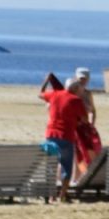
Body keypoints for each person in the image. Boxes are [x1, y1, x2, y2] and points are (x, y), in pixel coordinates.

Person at [39, 72, 89, 202]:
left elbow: (40, 93)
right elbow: (85, 120)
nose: (80, 92)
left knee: (51, 166)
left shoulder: (54, 94)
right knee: (66, 166)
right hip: (67, 136)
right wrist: (76, 121)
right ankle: (62, 195)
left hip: (51, 135)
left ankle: (51, 196)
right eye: (79, 89)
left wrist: (46, 80)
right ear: (74, 89)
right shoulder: (76, 100)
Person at [69, 67, 101, 177]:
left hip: (85, 128)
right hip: (73, 127)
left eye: (85, 79)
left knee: (90, 151)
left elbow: (93, 110)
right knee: (76, 153)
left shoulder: (87, 94)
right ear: (75, 78)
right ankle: (75, 177)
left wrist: (91, 124)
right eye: (80, 78)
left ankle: (86, 175)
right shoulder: (70, 93)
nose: (83, 81)